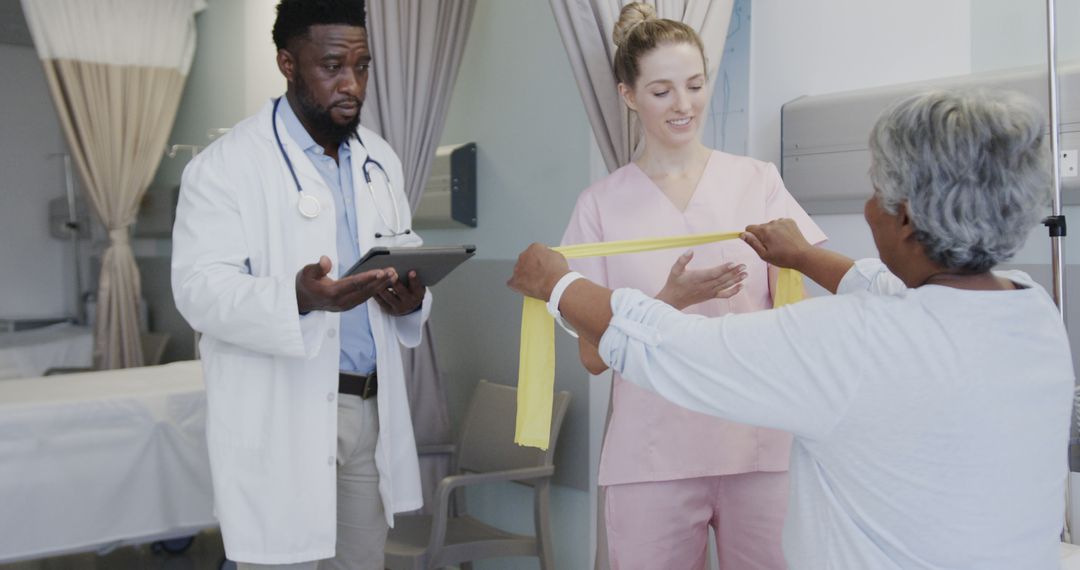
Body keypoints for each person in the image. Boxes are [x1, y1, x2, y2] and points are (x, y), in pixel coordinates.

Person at [509, 89, 1073, 569]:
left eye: (876, 192)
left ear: (905, 218)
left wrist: (557, 285)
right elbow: (884, 286)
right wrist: (803, 257)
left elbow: (676, 348)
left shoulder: (855, 342)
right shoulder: (1033, 312)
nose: (868, 206)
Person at [560, 3, 825, 568]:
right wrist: (668, 303)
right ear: (628, 95)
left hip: (758, 443)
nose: (684, 106)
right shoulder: (600, 206)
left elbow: (799, 315)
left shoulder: (758, 183)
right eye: (661, 92)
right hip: (651, 456)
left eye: (695, 85)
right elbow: (591, 355)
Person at [171, 1, 430, 567]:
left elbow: (404, 253)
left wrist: (411, 299)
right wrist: (296, 297)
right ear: (288, 63)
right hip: (282, 410)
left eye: (362, 66)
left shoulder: (379, 159)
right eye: (332, 66)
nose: (352, 84)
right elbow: (198, 290)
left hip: (369, 409)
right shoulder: (225, 166)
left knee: (363, 561)